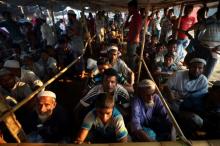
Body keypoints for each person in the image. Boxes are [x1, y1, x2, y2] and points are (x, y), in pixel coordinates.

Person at [124, 0, 142, 70]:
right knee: (130, 58)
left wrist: (132, 41)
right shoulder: (133, 16)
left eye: (129, 8)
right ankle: (130, 71)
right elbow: (125, 26)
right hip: (131, 40)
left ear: (133, 7)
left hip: (133, 41)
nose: (128, 9)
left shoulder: (137, 16)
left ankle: (132, 74)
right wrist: (128, 16)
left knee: (131, 59)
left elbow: (137, 30)